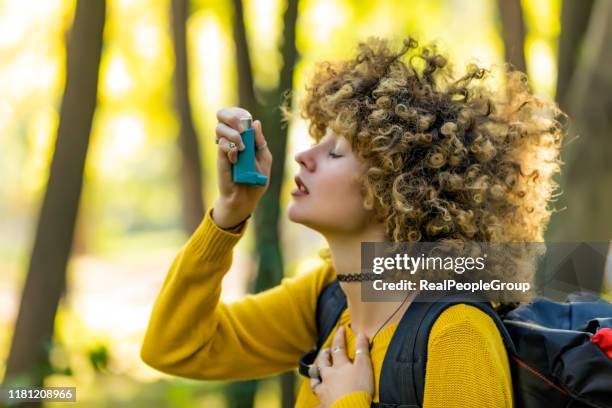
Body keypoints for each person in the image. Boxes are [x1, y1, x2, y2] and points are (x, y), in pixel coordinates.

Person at [140, 36, 564, 407]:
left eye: (335, 152)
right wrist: (229, 214)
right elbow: (176, 348)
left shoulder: (458, 333)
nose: (305, 157)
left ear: (397, 188)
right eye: (316, 141)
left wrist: (348, 401)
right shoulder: (328, 296)